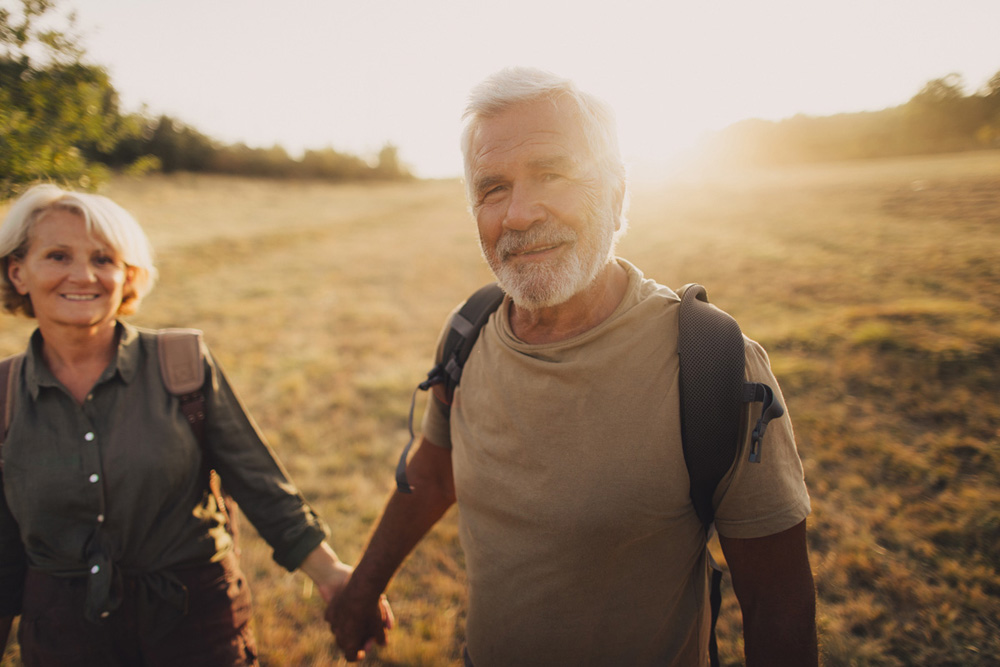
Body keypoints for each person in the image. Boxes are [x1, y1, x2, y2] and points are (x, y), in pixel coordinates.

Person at [325, 67, 817, 666]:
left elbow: (777, 606)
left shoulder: (713, 363)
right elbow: (433, 475)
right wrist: (362, 588)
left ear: (615, 194)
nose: (519, 214)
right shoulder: (469, 333)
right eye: (492, 188)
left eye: (552, 173)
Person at [0, 184, 390, 666]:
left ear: (127, 276)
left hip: (194, 626)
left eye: (103, 259)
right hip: (64, 637)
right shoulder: (4, 394)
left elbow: (258, 482)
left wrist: (331, 574)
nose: (84, 275)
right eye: (58, 256)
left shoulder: (180, 364)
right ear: (18, 272)